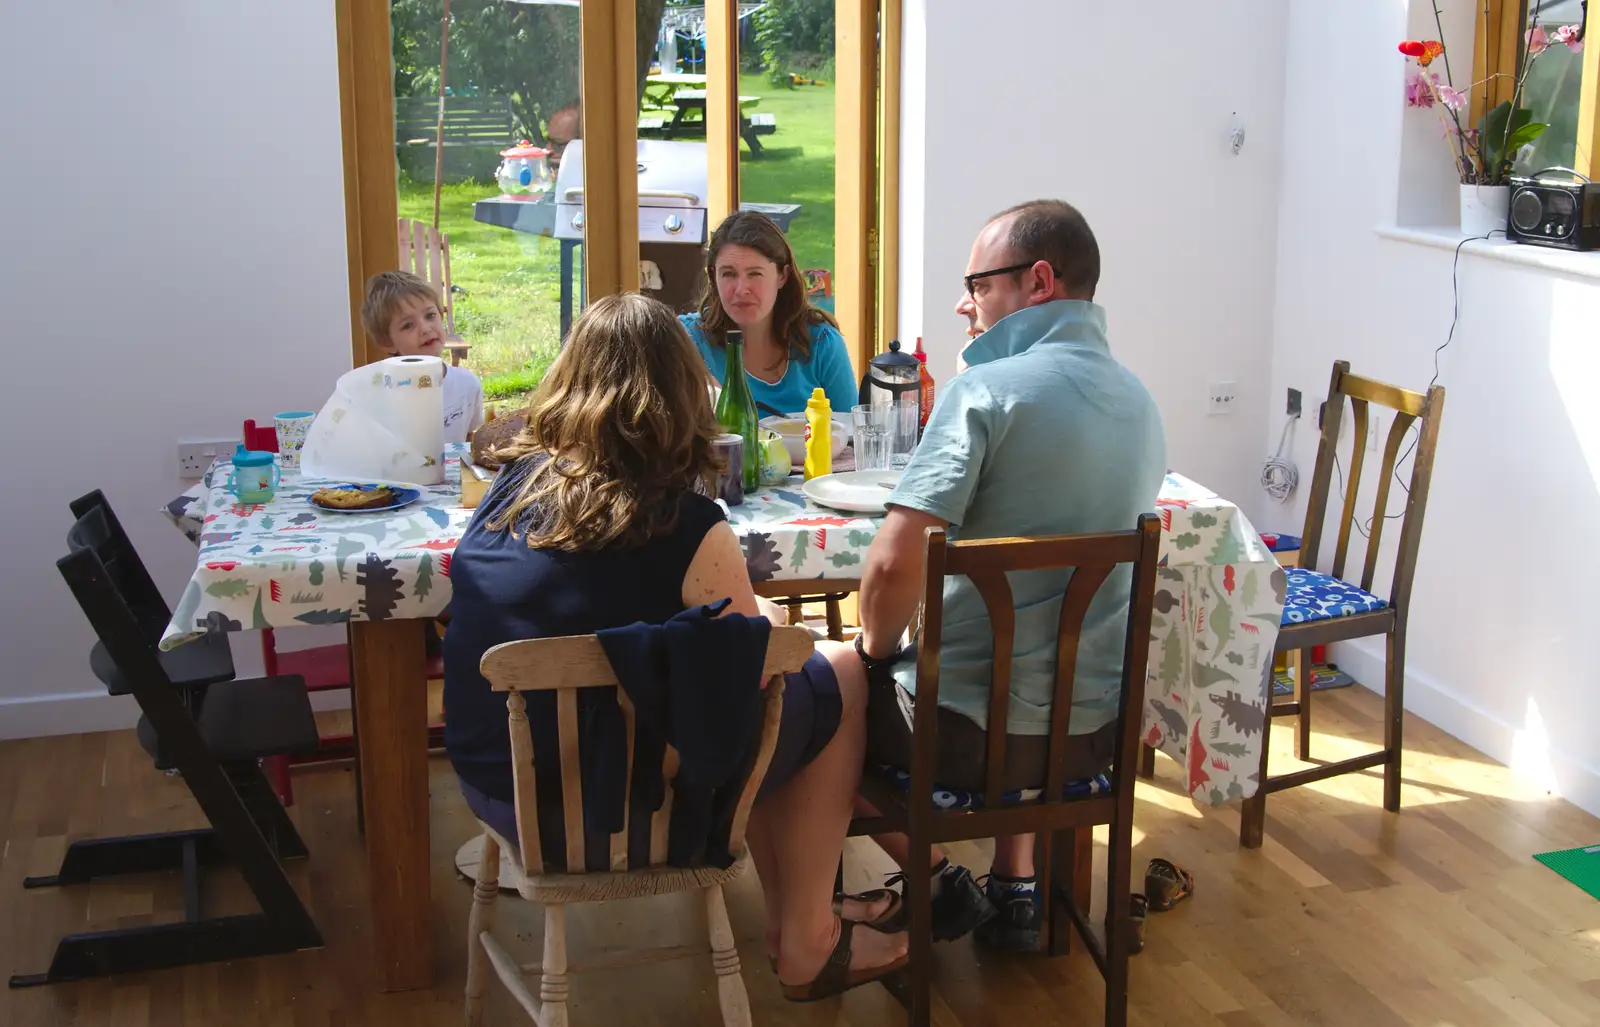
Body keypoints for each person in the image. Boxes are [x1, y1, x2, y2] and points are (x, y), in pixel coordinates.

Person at [443, 293, 907, 1000]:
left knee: (795, 685)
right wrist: (795, 636)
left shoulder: (505, 492)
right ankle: (807, 936)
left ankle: (815, 918)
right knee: (832, 673)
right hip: (626, 801)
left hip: (507, 787)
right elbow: (759, 673)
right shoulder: (687, 521)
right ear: (681, 394)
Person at [853, 200, 1167, 951]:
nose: (965, 302)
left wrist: (869, 658)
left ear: (1039, 281)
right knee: (1031, 654)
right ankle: (1017, 884)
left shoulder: (982, 392)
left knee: (815, 699)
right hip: (1089, 737)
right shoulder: (1141, 402)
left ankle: (930, 883)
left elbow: (895, 560)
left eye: (979, 283)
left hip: (963, 740)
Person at [680, 211, 858, 416]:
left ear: (783, 276)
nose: (741, 289)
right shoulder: (689, 340)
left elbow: (851, 434)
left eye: (755, 274)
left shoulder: (823, 344)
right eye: (728, 274)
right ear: (713, 276)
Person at [361, 270, 484, 444]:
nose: (426, 328)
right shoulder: (376, 396)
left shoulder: (468, 385)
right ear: (386, 341)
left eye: (430, 315)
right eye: (408, 325)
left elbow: (471, 438)